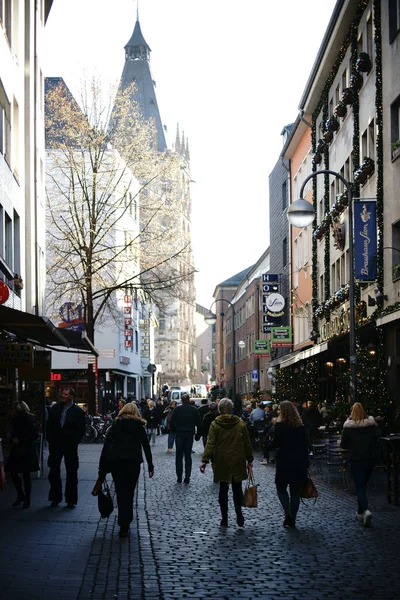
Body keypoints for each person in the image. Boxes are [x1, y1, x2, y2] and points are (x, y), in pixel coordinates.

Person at [98, 403, 154, 537]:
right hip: (133, 463)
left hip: (118, 463)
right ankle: (127, 519)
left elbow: (107, 446)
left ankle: (123, 521)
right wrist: (150, 465)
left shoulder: (116, 425)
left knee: (120, 492)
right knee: (129, 492)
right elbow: (146, 446)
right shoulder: (139, 426)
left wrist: (102, 467)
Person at [200, 398, 253, 528]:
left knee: (223, 488)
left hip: (222, 458)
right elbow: (247, 442)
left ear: (219, 410)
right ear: (231, 409)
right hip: (237, 457)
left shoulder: (215, 424)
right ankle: (239, 515)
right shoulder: (240, 423)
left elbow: (210, 443)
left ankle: (224, 518)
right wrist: (250, 459)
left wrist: (204, 460)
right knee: (237, 488)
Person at [340, 402, 380, 527]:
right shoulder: (371, 426)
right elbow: (377, 442)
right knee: (362, 486)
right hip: (369, 460)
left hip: (355, 460)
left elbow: (343, 445)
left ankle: (366, 510)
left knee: (360, 487)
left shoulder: (348, 428)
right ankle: (359, 512)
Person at [271, 400, 309, 528]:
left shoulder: (279, 426)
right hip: (299, 461)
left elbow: (276, 443)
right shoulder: (301, 426)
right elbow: (306, 445)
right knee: (295, 492)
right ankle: (293, 517)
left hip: (284, 461)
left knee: (281, 488)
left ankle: (287, 514)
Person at [46, 387, 85, 508]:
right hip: (56, 444)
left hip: (70, 445)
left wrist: (74, 441)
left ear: (72, 396)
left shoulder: (77, 411)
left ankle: (71, 499)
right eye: (62, 393)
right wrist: (51, 440)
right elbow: (49, 425)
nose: (63, 396)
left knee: (72, 472)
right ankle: (55, 497)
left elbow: (81, 429)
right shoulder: (55, 408)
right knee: (54, 472)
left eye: (66, 394)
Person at [6, 401, 39, 509]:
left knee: (23, 474)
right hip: (21, 448)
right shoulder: (17, 419)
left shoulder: (28, 419)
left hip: (24, 448)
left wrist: (18, 440)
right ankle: (22, 496)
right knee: (17, 473)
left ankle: (25, 498)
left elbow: (34, 435)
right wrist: (13, 439)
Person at [169, 392, 202, 484]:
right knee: (188, 456)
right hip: (189, 433)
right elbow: (199, 423)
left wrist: (175, 430)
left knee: (179, 455)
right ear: (189, 399)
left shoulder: (177, 410)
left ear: (182, 400)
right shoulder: (194, 410)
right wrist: (198, 435)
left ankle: (179, 476)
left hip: (179, 433)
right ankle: (187, 477)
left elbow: (172, 422)